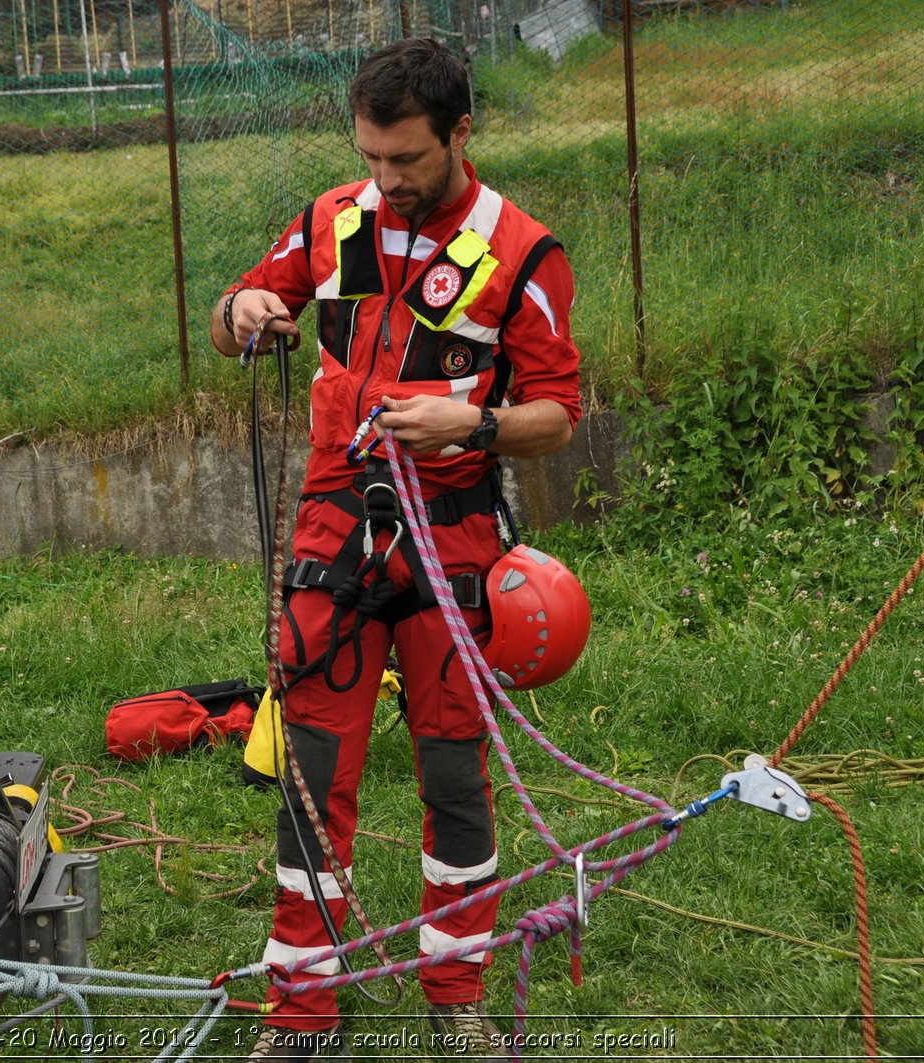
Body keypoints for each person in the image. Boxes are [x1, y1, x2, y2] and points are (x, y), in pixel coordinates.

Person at [210, 38, 582, 1061]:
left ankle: (453, 990)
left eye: (407, 161)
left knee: (454, 776)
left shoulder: (523, 253)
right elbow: (240, 309)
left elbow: (556, 411)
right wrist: (244, 312)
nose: (386, 181)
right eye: (371, 157)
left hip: (452, 531)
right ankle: (300, 1015)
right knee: (309, 773)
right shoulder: (333, 220)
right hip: (336, 525)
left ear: (461, 134)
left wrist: (474, 426)